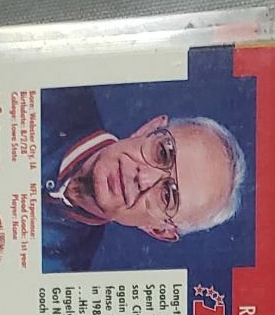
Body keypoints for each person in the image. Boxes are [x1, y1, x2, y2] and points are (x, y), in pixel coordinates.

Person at [40, 88, 247, 271]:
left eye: (167, 196)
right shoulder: (56, 92)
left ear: (158, 230)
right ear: (149, 129)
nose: (144, 178)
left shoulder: (61, 272)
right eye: (163, 153)